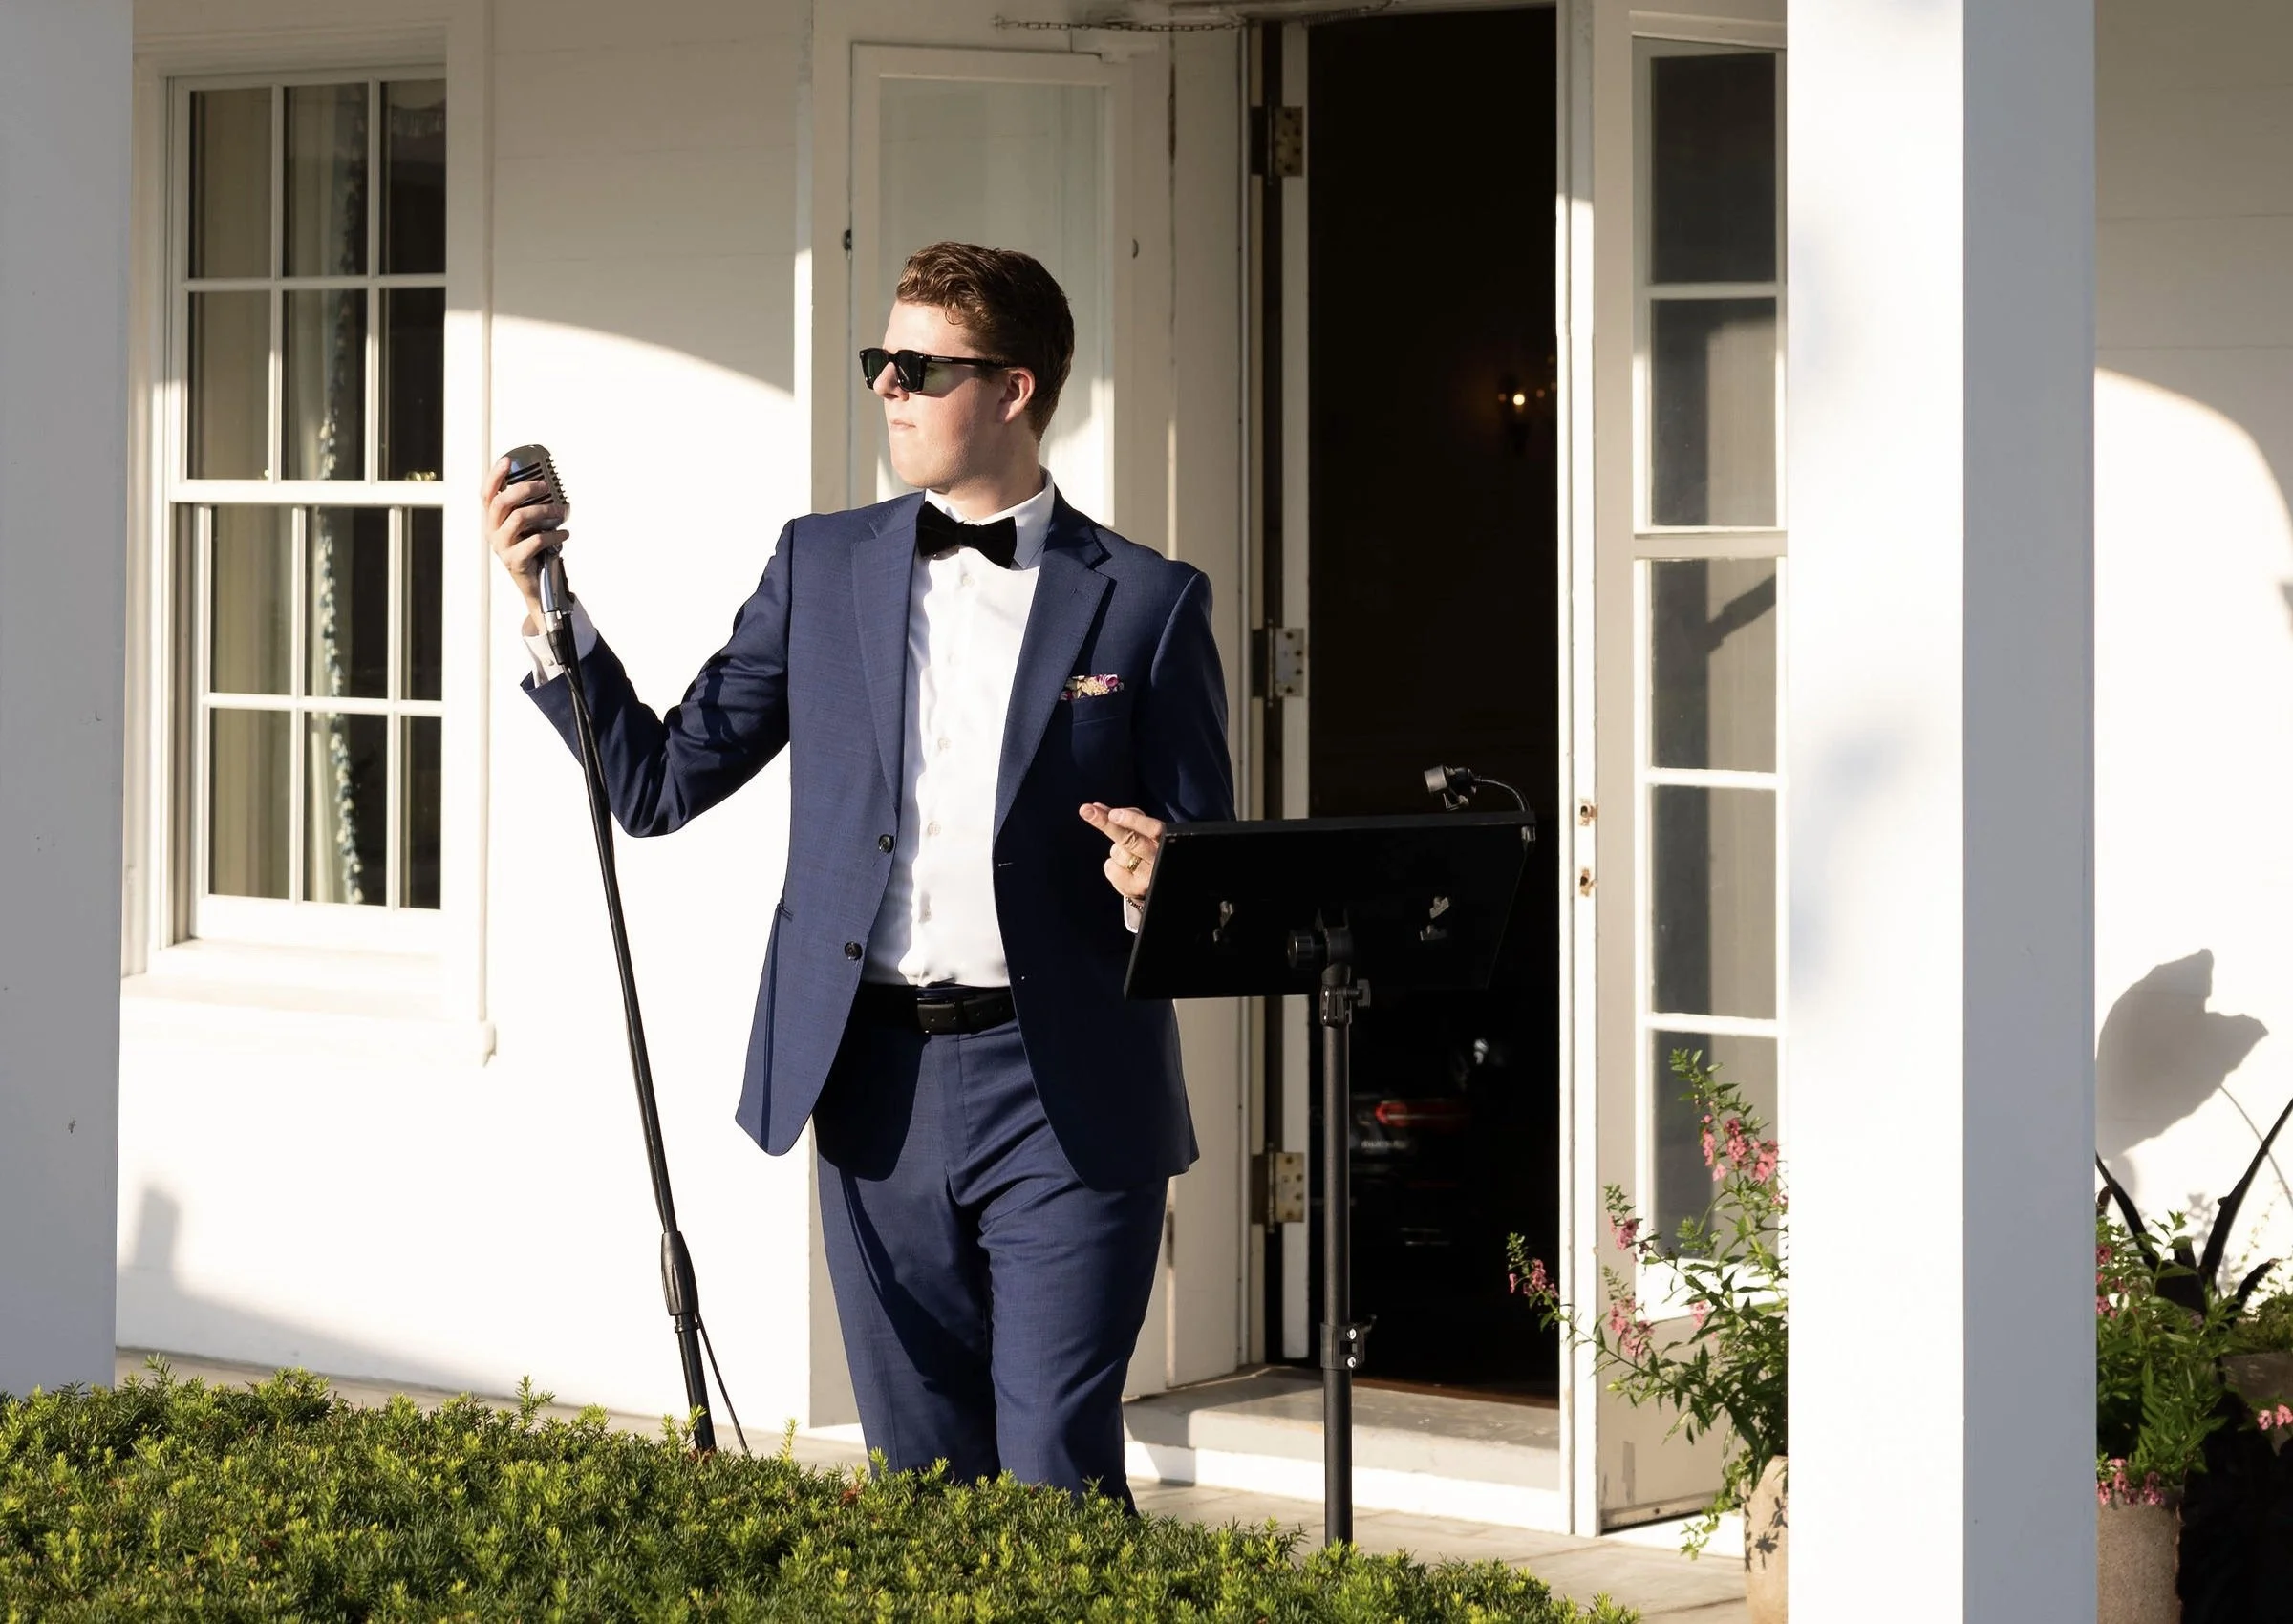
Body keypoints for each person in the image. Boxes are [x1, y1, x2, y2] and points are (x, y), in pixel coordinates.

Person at [482, 241, 1233, 1508]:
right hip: (872, 1082)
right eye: (881, 361)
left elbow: (1208, 874)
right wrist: (557, 611)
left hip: (1066, 1089)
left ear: (1015, 388)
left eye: (921, 368)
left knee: (1055, 1466)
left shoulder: (1148, 603)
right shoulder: (819, 567)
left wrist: (1160, 881)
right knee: (921, 1477)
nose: (888, 386)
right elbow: (660, 783)